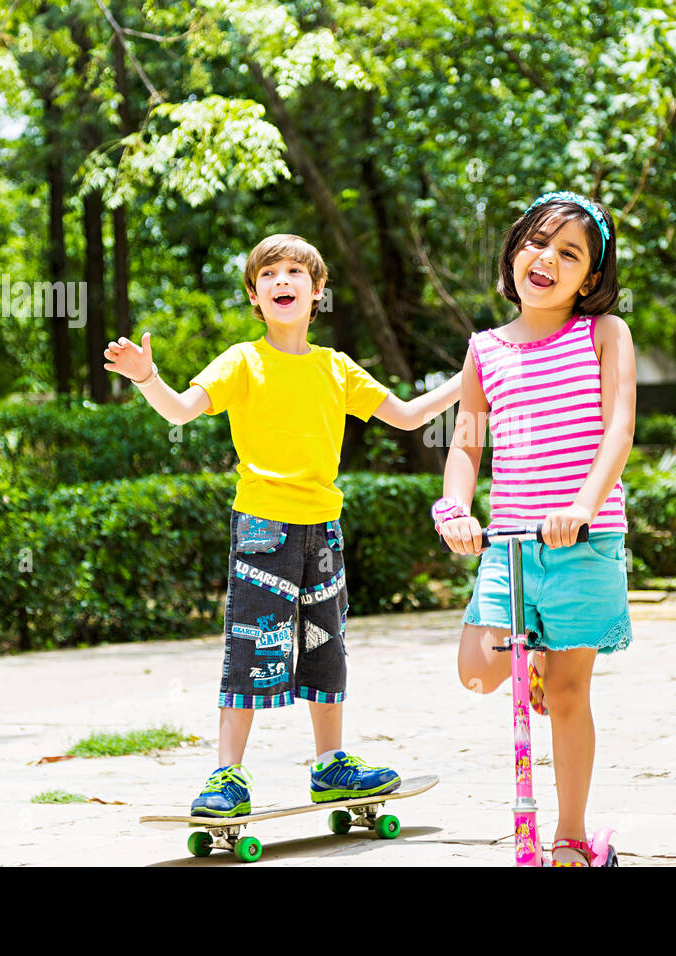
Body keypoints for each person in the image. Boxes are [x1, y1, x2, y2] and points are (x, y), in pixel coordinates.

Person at [104, 233, 460, 817]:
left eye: (295, 271)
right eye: (268, 275)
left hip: (323, 528)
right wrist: (147, 377)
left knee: (327, 643)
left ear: (316, 292)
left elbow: (407, 415)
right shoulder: (242, 361)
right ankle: (227, 775)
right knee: (250, 644)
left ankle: (331, 767)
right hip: (263, 526)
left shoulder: (335, 368)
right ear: (255, 295)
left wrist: (473, 379)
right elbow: (181, 410)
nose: (282, 281)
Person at [435, 191, 637, 866]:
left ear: (590, 279)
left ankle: (570, 836)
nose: (547, 258)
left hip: (584, 542)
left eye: (569, 252)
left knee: (573, 691)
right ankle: (536, 670)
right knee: (476, 672)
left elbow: (619, 429)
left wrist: (581, 505)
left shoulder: (602, 335)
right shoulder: (485, 349)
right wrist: (456, 507)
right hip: (511, 547)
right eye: (536, 241)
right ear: (514, 249)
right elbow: (466, 442)